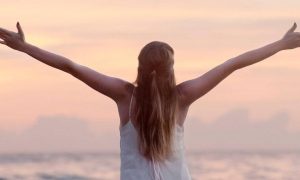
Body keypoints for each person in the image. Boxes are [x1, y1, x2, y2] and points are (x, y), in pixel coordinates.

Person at [0, 22, 299, 180]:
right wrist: (282, 44)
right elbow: (234, 63)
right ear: (171, 70)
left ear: (140, 67)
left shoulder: (123, 95)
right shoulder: (183, 97)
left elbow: (71, 66)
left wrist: (26, 48)